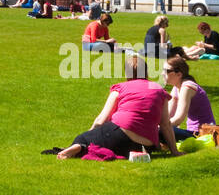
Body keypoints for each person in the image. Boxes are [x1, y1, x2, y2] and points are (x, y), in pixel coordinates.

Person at [48, 55, 181, 159]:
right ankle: (83, 147)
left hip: (120, 133)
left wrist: (89, 134)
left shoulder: (120, 88)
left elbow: (102, 119)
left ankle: (79, 145)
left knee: (85, 139)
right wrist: (174, 151)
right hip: (146, 145)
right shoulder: (158, 89)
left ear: (127, 73)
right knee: (108, 146)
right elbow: (165, 124)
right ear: (146, 72)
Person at [165, 58, 216, 140]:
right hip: (191, 132)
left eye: (166, 71)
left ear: (179, 74)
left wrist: (159, 128)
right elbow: (168, 115)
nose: (162, 73)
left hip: (201, 134)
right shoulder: (176, 87)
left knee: (161, 131)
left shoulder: (187, 87)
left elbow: (179, 118)